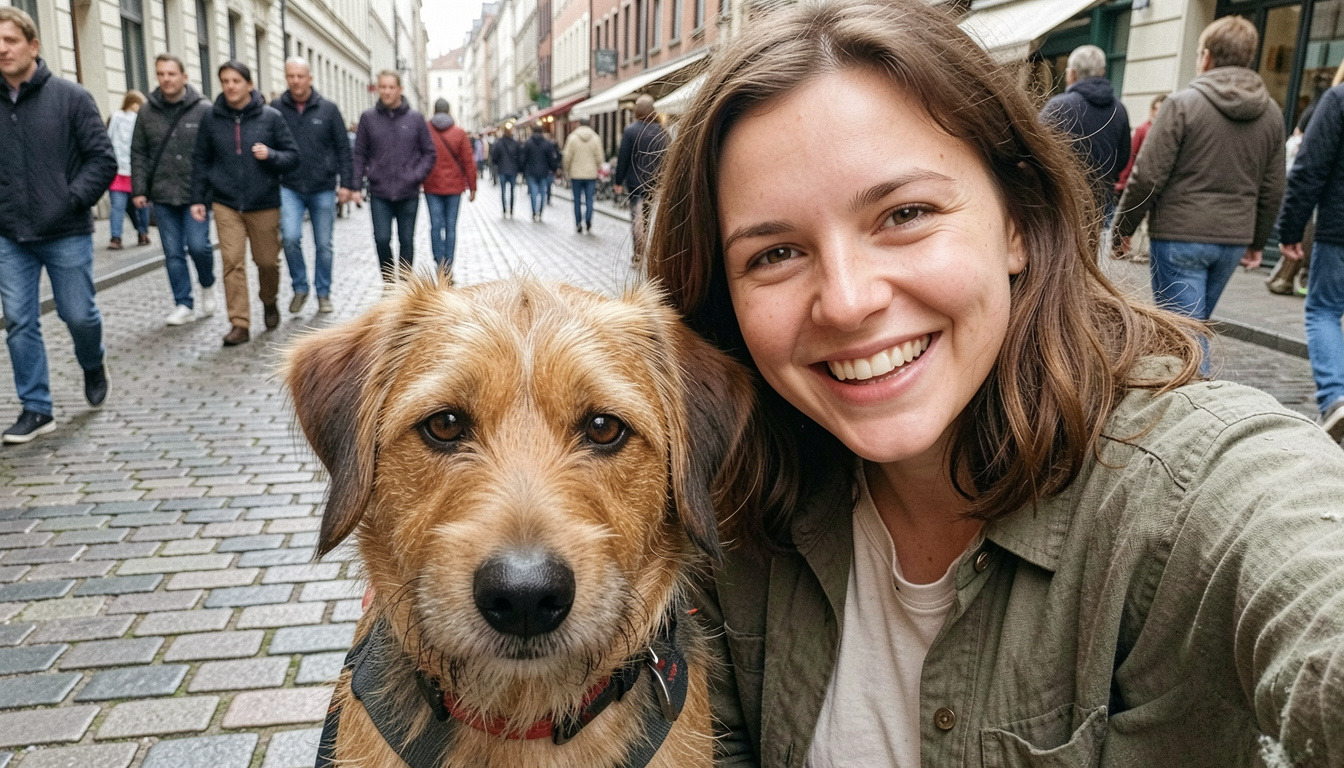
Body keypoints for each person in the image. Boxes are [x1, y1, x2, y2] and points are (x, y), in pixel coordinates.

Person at [647, 2, 1344, 766]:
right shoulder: (727, 508)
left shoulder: (1183, 489)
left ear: (1017, 220)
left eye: (904, 213)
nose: (847, 301)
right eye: (775, 253)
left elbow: (1297, 554)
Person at [1114, 16, 1285, 363]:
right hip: (1231, 239)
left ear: (1206, 57)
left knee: (1184, 335)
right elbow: (1273, 187)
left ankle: (1198, 404)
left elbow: (1148, 175)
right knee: (1196, 325)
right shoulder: (1271, 113)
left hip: (1181, 233)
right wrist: (1256, 242)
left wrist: (1123, 228)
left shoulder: (1182, 104)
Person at [0, 6, 115, 443]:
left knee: (78, 314)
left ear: (33, 45)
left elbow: (102, 160)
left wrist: (70, 200)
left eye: (10, 40)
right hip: (10, 235)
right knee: (19, 321)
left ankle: (93, 361)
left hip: (65, 231)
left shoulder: (71, 97)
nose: (2, 49)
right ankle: (36, 407)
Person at [190, 60, 299, 346]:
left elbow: (292, 156)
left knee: (266, 262)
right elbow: (201, 160)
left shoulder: (270, 117)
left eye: (236, 81)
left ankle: (269, 300)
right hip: (226, 203)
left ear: (249, 85)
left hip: (263, 202)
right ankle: (239, 323)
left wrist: (271, 155)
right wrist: (198, 199)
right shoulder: (212, 118)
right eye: (225, 81)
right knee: (231, 263)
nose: (230, 86)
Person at [1276, 69, 1344, 441]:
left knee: (1324, 310)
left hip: (1339, 232)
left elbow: (1309, 169)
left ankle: (1336, 397)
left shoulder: (1338, 100)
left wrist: (1290, 231)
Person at [132, 54, 218, 327]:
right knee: (173, 253)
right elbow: (138, 152)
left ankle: (207, 284)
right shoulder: (147, 111)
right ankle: (183, 303)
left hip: (196, 196)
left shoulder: (203, 109)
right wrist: (139, 189)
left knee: (199, 247)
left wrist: (209, 192)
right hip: (162, 194)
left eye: (171, 74)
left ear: (184, 77)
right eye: (161, 74)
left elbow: (213, 153)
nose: (166, 79)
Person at [275, 56, 355, 316]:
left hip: (322, 187)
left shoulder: (328, 110)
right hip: (290, 186)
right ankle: (300, 286)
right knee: (289, 238)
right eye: (291, 76)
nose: (296, 81)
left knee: (324, 245)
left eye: (300, 76)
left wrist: (346, 184)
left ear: (310, 78)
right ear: (286, 78)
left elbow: (344, 149)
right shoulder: (277, 109)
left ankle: (323, 293)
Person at [353, 70, 435, 280]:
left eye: (391, 87)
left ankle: (405, 286)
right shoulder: (368, 118)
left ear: (400, 89)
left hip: (408, 192)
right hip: (380, 191)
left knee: (406, 240)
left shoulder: (415, 118)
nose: (387, 92)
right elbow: (360, 153)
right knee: (381, 239)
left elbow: (429, 153)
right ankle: (389, 283)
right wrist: (356, 185)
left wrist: (415, 176)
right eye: (383, 87)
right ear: (378, 89)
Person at [1040, 45, 1130, 221]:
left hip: (1063, 207)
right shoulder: (1119, 109)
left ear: (1071, 74)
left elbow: (1035, 150)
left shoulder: (1058, 107)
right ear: (1102, 72)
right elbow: (1123, 159)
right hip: (1103, 205)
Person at [1111, 93, 1166, 264]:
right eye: (1156, 108)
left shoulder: (1168, 130)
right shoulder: (1143, 129)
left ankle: (1143, 250)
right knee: (1134, 214)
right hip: (1142, 179)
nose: (1158, 112)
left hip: (1160, 183)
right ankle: (1123, 246)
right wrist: (1123, 179)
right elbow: (1132, 155)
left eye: (1162, 109)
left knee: (1151, 220)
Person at [423, 98, 476, 274]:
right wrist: (472, 187)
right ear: (449, 111)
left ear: (434, 110)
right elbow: (468, 161)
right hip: (454, 187)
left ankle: (439, 261)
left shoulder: (426, 131)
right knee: (451, 226)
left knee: (435, 225)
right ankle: (449, 264)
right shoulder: (459, 133)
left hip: (432, 185)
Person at [614, 94, 668, 262]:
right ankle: (651, 252)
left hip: (635, 183)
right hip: (656, 183)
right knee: (649, 216)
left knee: (637, 218)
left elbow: (623, 157)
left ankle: (638, 253)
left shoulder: (630, 130)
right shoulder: (661, 132)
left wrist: (617, 181)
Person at [106, 89, 151, 250]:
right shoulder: (142, 121)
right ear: (133, 104)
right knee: (140, 206)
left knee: (119, 207)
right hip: (132, 171)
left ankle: (117, 238)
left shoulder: (115, 118)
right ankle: (141, 233)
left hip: (120, 171)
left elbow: (107, 141)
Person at [563, 115, 604, 233]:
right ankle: (588, 220)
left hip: (576, 175)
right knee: (589, 199)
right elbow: (600, 158)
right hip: (591, 174)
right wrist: (597, 167)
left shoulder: (572, 138)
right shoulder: (595, 138)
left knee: (576, 200)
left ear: (579, 124)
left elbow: (567, 157)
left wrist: (567, 169)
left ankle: (578, 223)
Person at [522, 127, 558, 221]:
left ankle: (534, 212)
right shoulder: (547, 144)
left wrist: (523, 170)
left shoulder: (528, 143)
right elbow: (551, 159)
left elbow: (523, 158)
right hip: (544, 172)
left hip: (531, 172)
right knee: (543, 193)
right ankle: (540, 211)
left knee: (533, 193)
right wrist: (554, 169)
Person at [490, 126, 523, 217]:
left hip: (502, 170)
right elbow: (520, 157)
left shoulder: (499, 143)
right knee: (512, 191)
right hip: (513, 170)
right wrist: (520, 168)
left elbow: (494, 157)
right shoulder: (516, 143)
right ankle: (511, 209)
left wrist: (498, 164)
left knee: (503, 191)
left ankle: (505, 209)